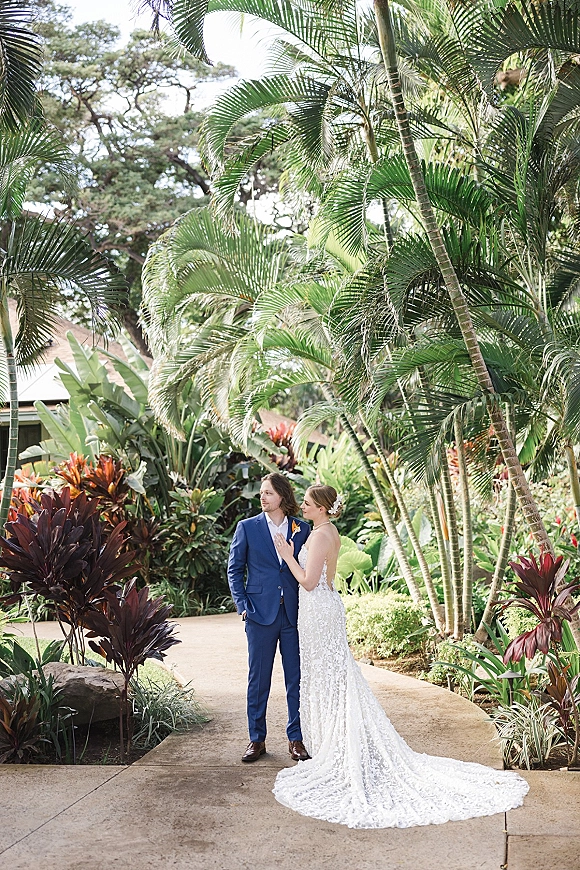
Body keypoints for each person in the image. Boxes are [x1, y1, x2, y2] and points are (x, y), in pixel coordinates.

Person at [272, 484, 530, 829]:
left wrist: (288, 554)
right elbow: (328, 581)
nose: (301, 506)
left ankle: (339, 748)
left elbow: (308, 581)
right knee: (334, 676)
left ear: (321, 508)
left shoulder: (320, 536)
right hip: (322, 608)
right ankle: (337, 741)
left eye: (306, 502)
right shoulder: (329, 531)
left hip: (318, 610)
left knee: (329, 676)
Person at [228, 472, 311, 763]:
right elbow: (234, 569)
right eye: (261, 492)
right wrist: (242, 606)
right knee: (258, 679)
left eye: (268, 493)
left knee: (296, 679)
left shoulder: (303, 528)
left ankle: (296, 738)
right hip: (259, 615)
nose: (262, 497)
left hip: (293, 614)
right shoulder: (247, 528)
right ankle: (256, 739)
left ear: (282, 498)